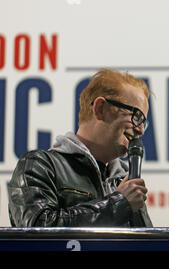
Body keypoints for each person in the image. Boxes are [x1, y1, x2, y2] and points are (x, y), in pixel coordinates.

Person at [8, 69, 153, 227]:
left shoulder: (123, 182)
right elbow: (38, 230)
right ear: (100, 109)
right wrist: (119, 203)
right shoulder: (39, 165)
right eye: (136, 116)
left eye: (143, 122)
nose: (141, 130)